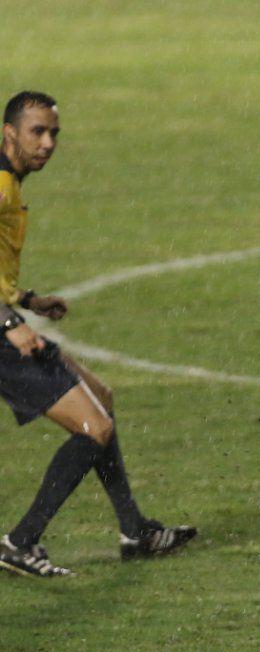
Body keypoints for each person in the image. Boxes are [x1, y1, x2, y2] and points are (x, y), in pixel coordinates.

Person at [0, 91, 195, 577]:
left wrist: (26, 300)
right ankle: (19, 543)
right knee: (93, 428)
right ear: (9, 134)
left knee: (100, 400)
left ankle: (134, 530)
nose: (47, 144)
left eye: (55, 134)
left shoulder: (11, 182)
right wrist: (10, 324)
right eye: (37, 132)